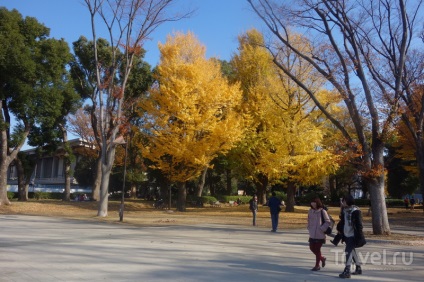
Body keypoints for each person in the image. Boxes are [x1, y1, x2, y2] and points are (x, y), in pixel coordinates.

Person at [338, 194, 366, 278]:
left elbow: (359, 225)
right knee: (352, 251)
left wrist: (360, 236)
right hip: (346, 234)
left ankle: (347, 270)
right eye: (342, 201)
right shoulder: (344, 210)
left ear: (348, 201)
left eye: (344, 201)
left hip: (353, 235)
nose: (343, 202)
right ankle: (358, 268)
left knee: (348, 251)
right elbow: (342, 221)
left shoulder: (356, 211)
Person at [307, 197, 331, 271]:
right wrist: (309, 227)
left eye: (314, 202)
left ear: (317, 203)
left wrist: (322, 229)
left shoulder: (322, 211)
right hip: (312, 234)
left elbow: (328, 221)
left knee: (317, 250)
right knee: (311, 248)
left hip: (320, 234)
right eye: (311, 202)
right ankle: (322, 258)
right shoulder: (310, 211)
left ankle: (317, 265)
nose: (313, 204)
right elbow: (308, 220)